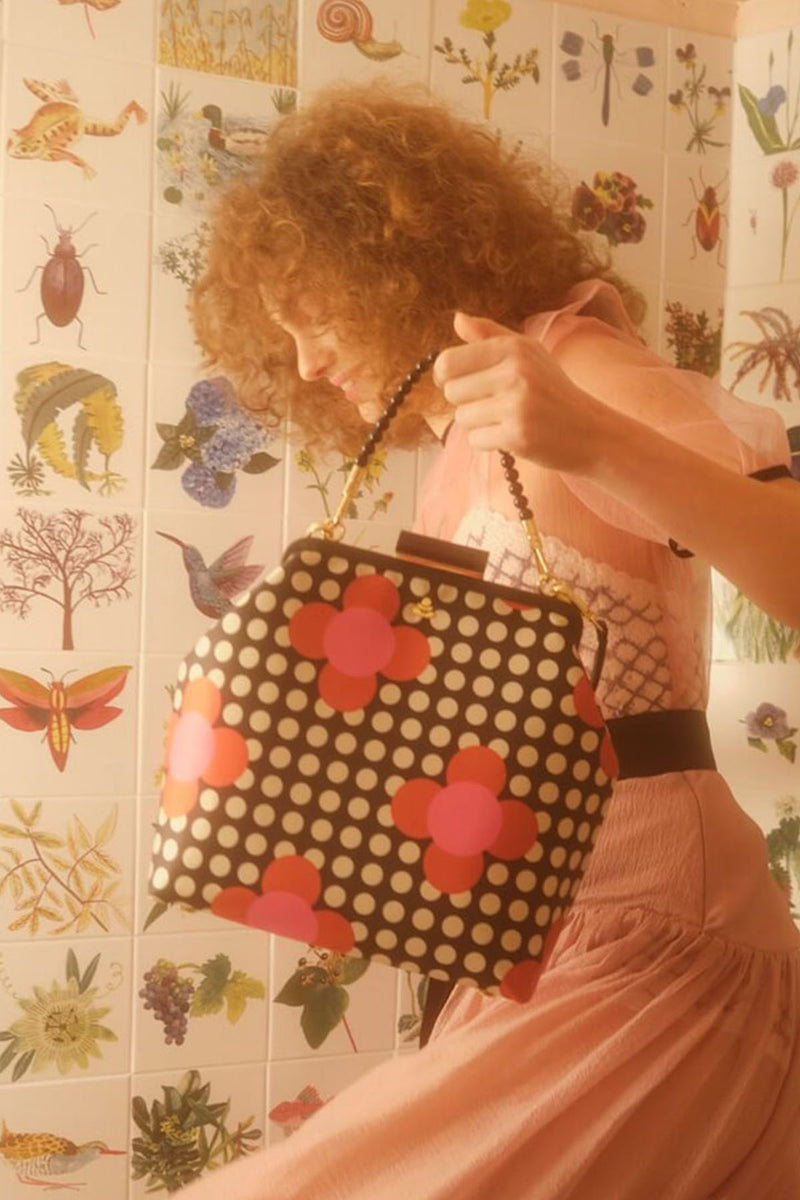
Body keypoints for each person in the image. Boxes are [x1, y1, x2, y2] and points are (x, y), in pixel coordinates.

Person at [180, 81, 800, 1199]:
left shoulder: (572, 366)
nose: (310, 365)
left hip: (655, 943)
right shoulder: (468, 428)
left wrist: (589, 432)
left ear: (393, 271)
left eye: (314, 315)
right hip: (557, 933)